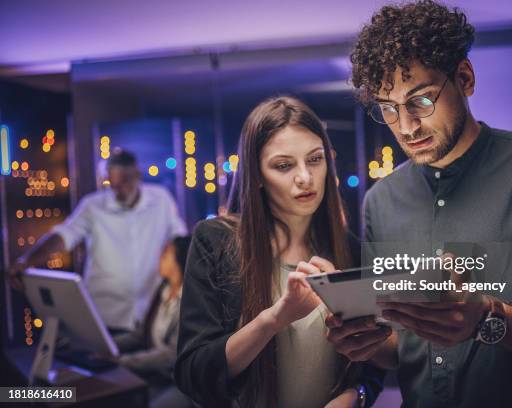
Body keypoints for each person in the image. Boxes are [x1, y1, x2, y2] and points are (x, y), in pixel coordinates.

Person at [322, 1, 512, 408]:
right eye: (388, 109)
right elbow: (402, 346)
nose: (405, 127)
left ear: (465, 77)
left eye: (420, 100)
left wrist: (491, 319)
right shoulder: (381, 203)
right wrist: (364, 342)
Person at [174, 96, 386, 408]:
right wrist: (274, 318)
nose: (305, 177)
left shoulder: (350, 248)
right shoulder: (216, 242)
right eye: (284, 166)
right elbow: (194, 375)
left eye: (315, 159)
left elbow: (373, 361)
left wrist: (355, 397)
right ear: (256, 175)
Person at [10, 149, 188, 331]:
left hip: (151, 316)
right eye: (114, 184)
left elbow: (179, 239)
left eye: (125, 182)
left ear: (137, 175)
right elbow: (64, 236)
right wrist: (28, 260)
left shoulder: (161, 199)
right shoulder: (92, 206)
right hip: (105, 317)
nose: (119, 191)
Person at [114, 235, 194, 408]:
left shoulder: (191, 299)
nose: (159, 258)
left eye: (165, 254)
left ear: (180, 260)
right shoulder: (162, 290)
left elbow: (172, 354)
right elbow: (140, 334)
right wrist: (108, 344)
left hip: (179, 381)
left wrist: (122, 361)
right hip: (155, 375)